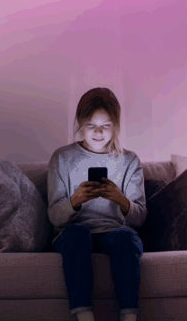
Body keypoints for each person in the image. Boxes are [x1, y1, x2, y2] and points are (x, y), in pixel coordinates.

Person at [47, 87, 146, 321]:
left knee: (124, 237)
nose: (98, 132)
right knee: (77, 233)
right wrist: (75, 201)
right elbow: (54, 217)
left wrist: (120, 199)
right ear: (80, 123)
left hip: (115, 233)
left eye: (106, 125)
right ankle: (85, 317)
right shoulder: (62, 158)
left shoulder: (129, 161)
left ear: (116, 126)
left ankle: (129, 318)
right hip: (74, 235)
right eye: (91, 125)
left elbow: (140, 218)